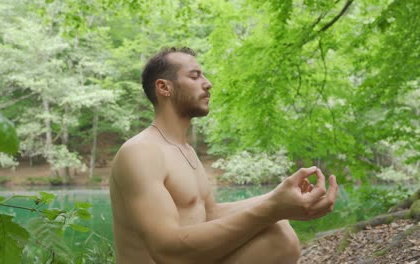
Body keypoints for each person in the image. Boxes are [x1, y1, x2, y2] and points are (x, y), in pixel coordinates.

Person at [109, 47, 338, 264]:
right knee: (278, 237)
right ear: (164, 87)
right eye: (195, 76)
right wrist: (271, 209)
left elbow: (210, 214)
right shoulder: (141, 152)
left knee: (280, 230)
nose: (208, 84)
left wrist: (284, 198)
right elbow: (166, 251)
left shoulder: (184, 151)